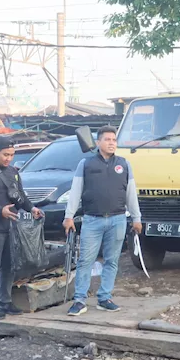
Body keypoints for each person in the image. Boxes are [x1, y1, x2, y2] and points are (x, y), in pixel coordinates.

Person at [63, 126, 143, 316]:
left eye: (114, 140)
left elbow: (131, 193)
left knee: (112, 260)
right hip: (92, 220)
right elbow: (75, 192)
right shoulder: (86, 164)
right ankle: (80, 300)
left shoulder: (124, 164)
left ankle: (104, 297)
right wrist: (69, 216)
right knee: (85, 261)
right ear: (98, 143)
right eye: (107, 139)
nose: (111, 143)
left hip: (117, 219)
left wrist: (136, 217)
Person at [0, 138, 44, 321]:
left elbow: (20, 196)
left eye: (11, 155)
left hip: (11, 226)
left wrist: (31, 208)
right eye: (5, 155)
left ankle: (5, 302)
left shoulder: (13, 172)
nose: (8, 159)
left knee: (9, 266)